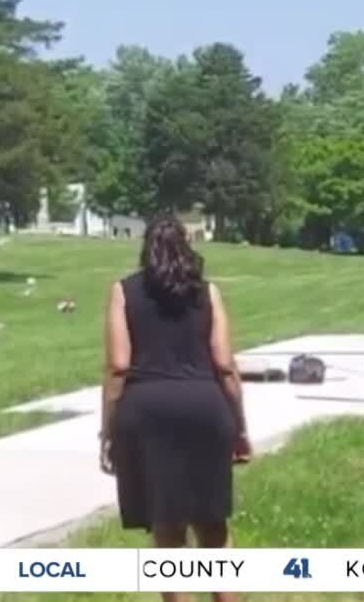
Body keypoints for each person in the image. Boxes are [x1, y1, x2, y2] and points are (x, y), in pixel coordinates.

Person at [100, 216, 251, 602]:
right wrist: (239, 426)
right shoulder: (209, 293)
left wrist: (108, 431)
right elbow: (225, 365)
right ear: (187, 246)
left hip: (147, 414)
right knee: (214, 529)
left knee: (167, 532)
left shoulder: (123, 292)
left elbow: (118, 366)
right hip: (204, 409)